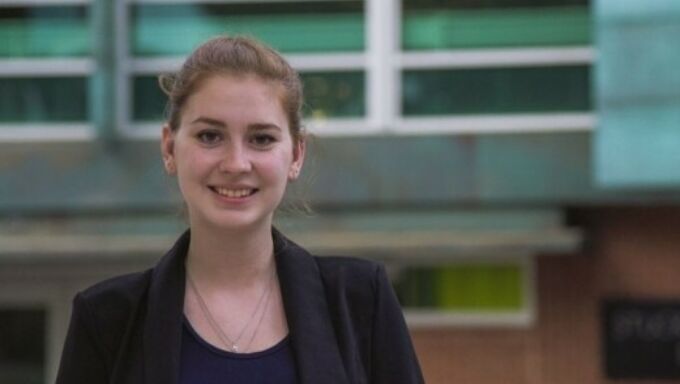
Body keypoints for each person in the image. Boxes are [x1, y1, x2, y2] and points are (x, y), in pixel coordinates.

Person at [55, 35, 424, 384]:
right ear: (169, 148)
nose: (236, 163)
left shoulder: (361, 300)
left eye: (261, 139)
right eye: (210, 136)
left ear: (296, 154)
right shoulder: (106, 318)